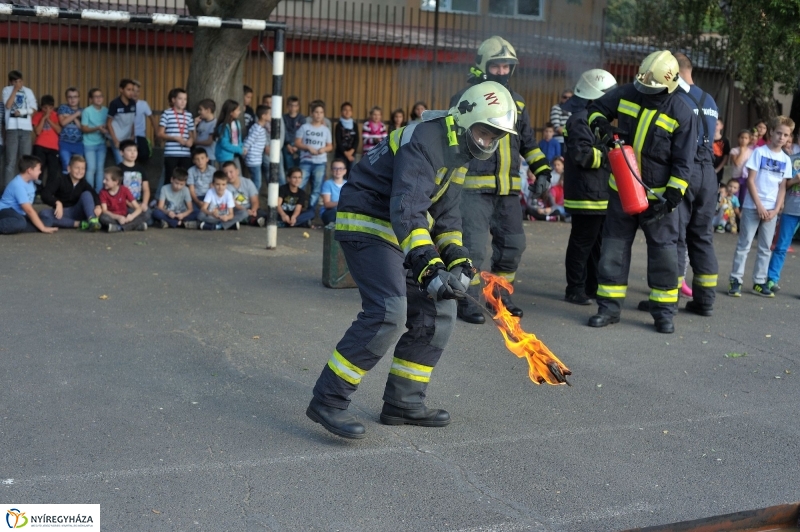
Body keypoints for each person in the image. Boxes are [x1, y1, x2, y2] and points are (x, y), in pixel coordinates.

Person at [306, 80, 517, 440]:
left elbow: (447, 219)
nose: (488, 142)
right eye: (485, 132)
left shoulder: (459, 151)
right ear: (466, 118)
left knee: (439, 312)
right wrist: (428, 264)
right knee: (388, 312)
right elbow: (407, 208)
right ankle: (328, 399)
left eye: (496, 136)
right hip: (369, 222)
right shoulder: (426, 140)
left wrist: (457, 263)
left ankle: (403, 402)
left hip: (400, 229)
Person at [586, 50, 697, 334]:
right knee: (613, 250)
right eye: (643, 86)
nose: (646, 91)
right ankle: (608, 309)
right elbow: (594, 109)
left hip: (657, 199)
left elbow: (684, 163)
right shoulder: (627, 93)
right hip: (621, 191)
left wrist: (672, 197)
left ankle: (663, 314)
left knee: (664, 255)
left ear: (670, 84)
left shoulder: (682, 113)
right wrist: (601, 126)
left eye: (653, 88)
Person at [450, 36, 552, 324]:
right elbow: (452, 142)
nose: (503, 72)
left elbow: (529, 144)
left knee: (512, 245)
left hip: (508, 191)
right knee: (473, 248)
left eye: (508, 67)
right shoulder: (465, 99)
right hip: (473, 191)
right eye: (497, 66)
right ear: (483, 66)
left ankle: (499, 298)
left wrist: (543, 171)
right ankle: (466, 300)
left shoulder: (517, 103)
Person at [651, 53, 720, 318]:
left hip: (685, 171)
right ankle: (705, 301)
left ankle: (670, 298)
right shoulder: (709, 99)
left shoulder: (675, 99)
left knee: (676, 235)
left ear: (673, 71)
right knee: (702, 236)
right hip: (709, 174)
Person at [561, 68, 618, 305]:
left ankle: (591, 287)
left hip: (599, 194)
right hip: (586, 195)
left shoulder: (593, 118)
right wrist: (611, 153)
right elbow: (582, 155)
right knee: (582, 243)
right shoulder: (579, 119)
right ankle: (574, 289)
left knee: (597, 245)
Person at [728, 116, 795, 297]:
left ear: (789, 137)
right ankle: (736, 280)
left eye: (786, 135)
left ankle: (759, 282)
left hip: (771, 211)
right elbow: (750, 180)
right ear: (771, 132)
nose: (781, 137)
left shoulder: (786, 160)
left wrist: (776, 209)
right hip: (753, 206)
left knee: (765, 247)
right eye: (779, 133)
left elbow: (782, 187)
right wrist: (759, 206)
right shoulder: (759, 153)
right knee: (744, 245)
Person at [766, 152, 800, 292]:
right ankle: (772, 280)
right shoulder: (791, 160)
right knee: (781, 246)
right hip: (791, 209)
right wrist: (794, 180)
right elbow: (782, 185)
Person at [39, 155, 101, 230]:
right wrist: (57, 202)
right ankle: (79, 224)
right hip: (62, 213)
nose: (80, 171)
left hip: (77, 211)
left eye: (83, 169)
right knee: (43, 214)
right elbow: (45, 194)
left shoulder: (84, 183)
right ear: (69, 168)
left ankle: (92, 220)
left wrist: (98, 205)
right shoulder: (60, 179)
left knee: (87, 194)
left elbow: (94, 194)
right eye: (77, 168)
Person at [0, 155, 57, 234]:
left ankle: (18, 227)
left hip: (20, 214)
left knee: (47, 221)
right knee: (21, 222)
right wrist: (43, 228)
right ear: (29, 170)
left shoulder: (30, 182)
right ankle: (17, 226)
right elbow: (29, 210)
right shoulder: (18, 185)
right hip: (5, 212)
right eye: (38, 169)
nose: (40, 172)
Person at [295, 101, 333, 210]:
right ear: (311, 113)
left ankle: (310, 212)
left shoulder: (326, 130)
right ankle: (298, 209)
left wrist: (323, 149)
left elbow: (330, 146)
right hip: (306, 161)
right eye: (316, 112)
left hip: (320, 162)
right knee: (300, 185)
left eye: (321, 112)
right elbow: (297, 143)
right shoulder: (304, 127)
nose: (319, 115)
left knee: (316, 189)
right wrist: (307, 147)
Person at [3, 70, 36, 189]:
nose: (18, 83)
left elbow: (33, 108)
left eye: (20, 81)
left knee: (26, 160)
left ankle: (25, 188)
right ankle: (8, 190)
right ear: (11, 82)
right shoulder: (6, 90)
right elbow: (8, 105)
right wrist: (15, 90)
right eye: (15, 81)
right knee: (10, 161)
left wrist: (22, 111)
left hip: (26, 129)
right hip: (12, 128)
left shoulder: (28, 91)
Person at [158, 87, 195, 182]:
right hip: (171, 153)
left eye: (185, 99)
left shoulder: (189, 115)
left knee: (184, 178)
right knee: (170, 178)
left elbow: (192, 133)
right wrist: (175, 138)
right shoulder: (166, 114)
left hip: (185, 153)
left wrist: (191, 141)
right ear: (173, 100)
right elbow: (160, 133)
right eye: (180, 99)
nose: (183, 101)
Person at [98, 166, 148, 232]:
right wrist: (118, 217)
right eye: (104, 179)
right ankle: (133, 226)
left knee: (145, 214)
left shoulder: (124, 190)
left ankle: (119, 228)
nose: (104, 181)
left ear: (115, 182)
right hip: (113, 217)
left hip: (125, 216)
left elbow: (138, 208)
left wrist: (131, 217)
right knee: (103, 217)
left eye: (107, 180)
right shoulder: (103, 192)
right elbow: (105, 211)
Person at [31, 95, 62, 190]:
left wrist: (49, 119)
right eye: (45, 108)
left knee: (53, 170)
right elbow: (37, 131)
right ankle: (38, 190)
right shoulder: (37, 115)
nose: (48, 110)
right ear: (41, 107)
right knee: (39, 169)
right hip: (40, 145)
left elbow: (59, 130)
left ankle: (49, 191)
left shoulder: (55, 115)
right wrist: (43, 118)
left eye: (50, 108)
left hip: (53, 147)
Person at [117, 139, 151, 225]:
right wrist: (132, 205)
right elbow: (118, 192)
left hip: (138, 202)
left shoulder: (141, 169)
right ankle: (136, 224)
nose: (133, 153)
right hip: (125, 204)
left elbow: (146, 189)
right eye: (129, 150)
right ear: (121, 152)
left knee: (149, 214)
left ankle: (130, 224)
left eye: (135, 150)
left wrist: (144, 203)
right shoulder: (118, 169)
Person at [80, 88, 108, 192]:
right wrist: (97, 128)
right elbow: (84, 128)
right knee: (91, 168)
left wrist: (105, 129)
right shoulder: (87, 111)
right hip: (89, 144)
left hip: (101, 143)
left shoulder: (106, 110)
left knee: (100, 169)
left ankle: (99, 192)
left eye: (100, 96)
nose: (99, 98)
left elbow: (110, 125)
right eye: (96, 96)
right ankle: (89, 191)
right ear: (91, 99)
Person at [107, 79, 137, 165]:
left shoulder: (133, 103)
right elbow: (108, 123)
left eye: (132, 90)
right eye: (128, 89)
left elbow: (132, 120)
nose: (131, 92)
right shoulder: (115, 103)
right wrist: (115, 140)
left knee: (129, 162)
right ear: (121, 90)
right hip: (117, 138)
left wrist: (133, 135)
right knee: (121, 162)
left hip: (127, 138)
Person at [223, 160, 258, 227]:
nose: (229, 175)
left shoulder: (247, 182)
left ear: (237, 171)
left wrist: (253, 210)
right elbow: (233, 204)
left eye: (231, 172)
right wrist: (246, 211)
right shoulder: (225, 186)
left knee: (262, 213)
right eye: (226, 173)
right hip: (236, 210)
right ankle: (249, 220)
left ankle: (249, 219)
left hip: (249, 208)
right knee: (242, 213)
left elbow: (255, 200)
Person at [57, 87, 84, 173]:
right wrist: (76, 114)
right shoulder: (63, 108)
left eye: (75, 97)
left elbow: (82, 127)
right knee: (66, 166)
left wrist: (71, 116)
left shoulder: (83, 111)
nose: (73, 99)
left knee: (78, 168)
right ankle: (66, 186)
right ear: (66, 98)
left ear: (79, 98)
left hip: (79, 143)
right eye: (70, 97)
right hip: (65, 142)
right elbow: (63, 123)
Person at [243, 105, 269, 191]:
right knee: (257, 183)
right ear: (263, 116)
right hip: (254, 159)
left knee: (255, 181)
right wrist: (244, 150)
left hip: (255, 158)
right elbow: (249, 140)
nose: (271, 116)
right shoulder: (258, 128)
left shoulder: (258, 127)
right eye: (269, 114)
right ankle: (253, 199)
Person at [132, 81, 157, 165]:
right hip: (127, 135)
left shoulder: (143, 104)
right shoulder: (125, 104)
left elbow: (152, 118)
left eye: (137, 91)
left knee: (144, 154)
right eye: (133, 90)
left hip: (140, 134)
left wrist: (157, 132)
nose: (135, 93)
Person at [214, 99, 243, 165]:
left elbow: (239, 139)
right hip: (225, 156)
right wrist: (239, 150)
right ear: (231, 112)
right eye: (238, 110)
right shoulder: (223, 126)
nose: (240, 112)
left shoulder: (237, 123)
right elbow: (224, 144)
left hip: (235, 154)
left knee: (238, 174)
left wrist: (241, 147)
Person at [729, 129, 753, 205]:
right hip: (736, 177)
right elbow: (736, 163)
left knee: (743, 197)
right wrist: (742, 152)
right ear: (738, 138)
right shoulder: (734, 150)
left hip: (746, 178)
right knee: (734, 197)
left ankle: (740, 215)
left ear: (749, 140)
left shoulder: (751, 152)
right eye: (741, 137)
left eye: (746, 138)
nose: (743, 140)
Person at [188, 146, 215, 213]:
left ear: (207, 159)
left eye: (202, 158)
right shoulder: (191, 171)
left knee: (213, 210)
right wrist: (197, 202)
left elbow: (213, 188)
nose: (200, 161)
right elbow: (191, 190)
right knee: (194, 211)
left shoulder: (213, 170)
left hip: (209, 196)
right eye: (197, 159)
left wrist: (208, 201)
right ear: (193, 161)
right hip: (197, 197)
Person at [320, 158, 347, 225]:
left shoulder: (348, 184)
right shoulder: (327, 184)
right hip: (330, 211)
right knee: (334, 214)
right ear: (331, 171)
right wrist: (342, 203)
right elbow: (327, 204)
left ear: (345, 171)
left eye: (341, 168)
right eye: (335, 168)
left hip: (344, 211)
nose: (338, 171)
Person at [334, 102, 358, 173]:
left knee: (351, 173)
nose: (347, 112)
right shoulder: (338, 125)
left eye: (349, 110)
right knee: (340, 173)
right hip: (341, 153)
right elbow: (338, 141)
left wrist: (351, 152)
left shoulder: (354, 125)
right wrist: (346, 154)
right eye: (345, 110)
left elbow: (357, 140)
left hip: (352, 154)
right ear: (341, 112)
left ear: (352, 112)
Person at [282, 96, 305, 172]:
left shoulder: (301, 118)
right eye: (290, 105)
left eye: (295, 106)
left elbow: (303, 132)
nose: (293, 108)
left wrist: (297, 146)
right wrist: (287, 144)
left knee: (299, 166)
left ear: (298, 107)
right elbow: (284, 131)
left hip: (299, 144)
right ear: (287, 106)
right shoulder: (283, 117)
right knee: (289, 166)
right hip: (287, 144)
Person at [194, 99, 217, 167]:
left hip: (209, 156)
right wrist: (194, 125)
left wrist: (195, 142)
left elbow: (209, 141)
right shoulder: (201, 122)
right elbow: (195, 137)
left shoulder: (214, 123)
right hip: (198, 156)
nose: (199, 112)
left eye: (201, 110)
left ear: (208, 110)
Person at [713, 119, 730, 183]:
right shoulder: (706, 138)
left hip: (718, 169)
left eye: (717, 124)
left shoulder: (725, 140)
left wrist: (718, 169)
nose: (714, 126)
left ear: (721, 126)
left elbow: (726, 156)